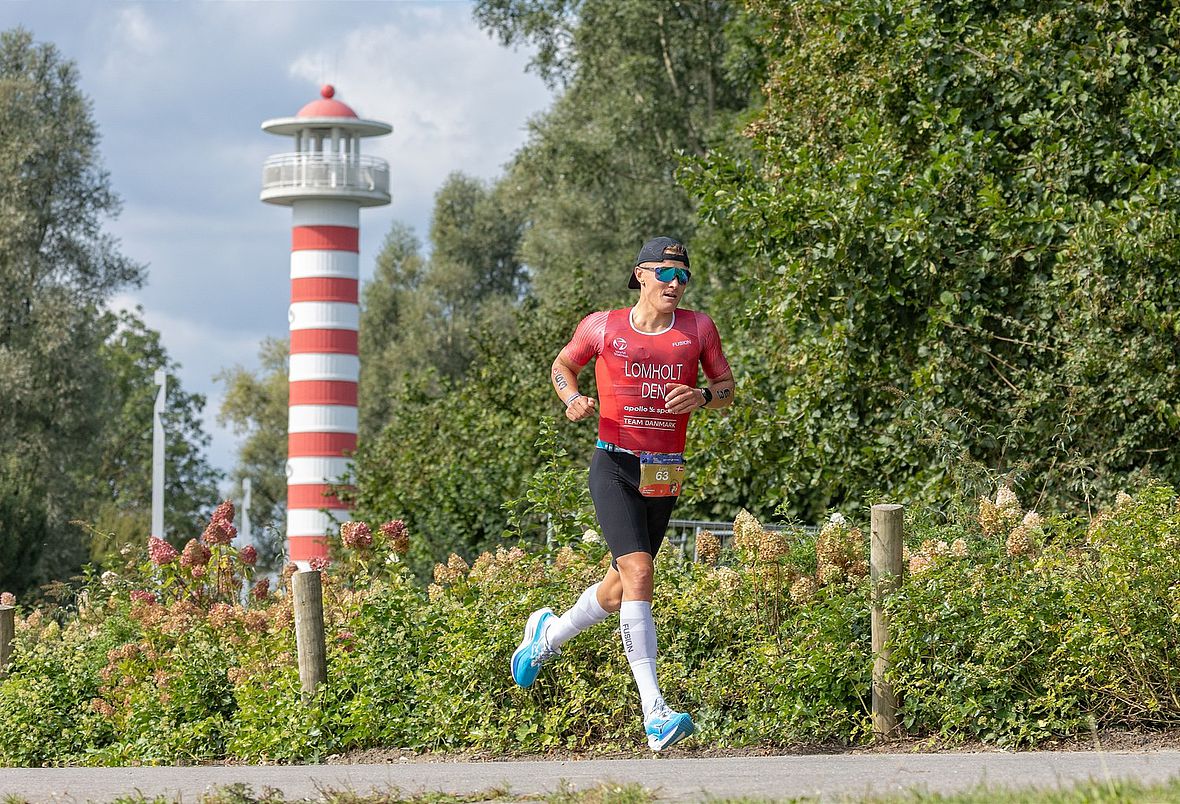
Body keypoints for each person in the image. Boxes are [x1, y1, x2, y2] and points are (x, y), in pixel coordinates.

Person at [510, 236, 735, 751]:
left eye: (683, 276)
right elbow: (561, 366)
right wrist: (571, 398)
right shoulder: (602, 325)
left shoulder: (698, 329)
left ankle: (544, 639)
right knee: (640, 572)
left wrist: (701, 396)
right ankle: (654, 713)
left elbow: (727, 389)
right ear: (640, 275)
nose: (674, 284)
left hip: (664, 470)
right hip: (613, 464)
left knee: (618, 588)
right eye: (665, 273)